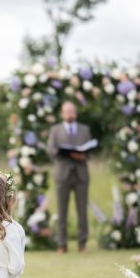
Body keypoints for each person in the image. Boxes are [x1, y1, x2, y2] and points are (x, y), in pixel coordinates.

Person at [47, 101, 92, 253]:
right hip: (62, 175)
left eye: (72, 111)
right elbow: (51, 150)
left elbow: (90, 152)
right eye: (67, 111)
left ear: (76, 113)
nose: (70, 114)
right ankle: (62, 244)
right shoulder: (55, 130)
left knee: (82, 211)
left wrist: (82, 156)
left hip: (81, 175)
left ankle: (82, 243)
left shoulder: (85, 130)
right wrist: (67, 153)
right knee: (62, 211)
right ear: (62, 113)